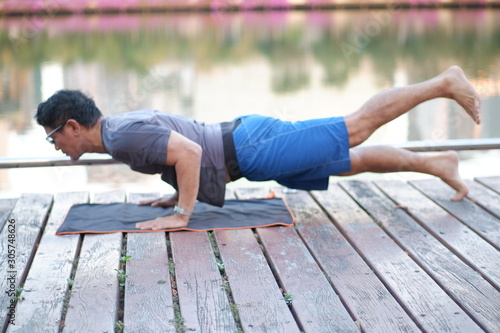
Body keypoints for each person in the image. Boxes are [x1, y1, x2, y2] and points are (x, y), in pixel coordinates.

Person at [35, 65, 481, 230]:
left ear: (72, 126)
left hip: (253, 146)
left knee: (357, 128)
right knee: (350, 161)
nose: (54, 145)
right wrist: (175, 193)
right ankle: (437, 163)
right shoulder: (114, 133)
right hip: (248, 155)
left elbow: (189, 152)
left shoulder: (119, 135)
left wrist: (182, 215)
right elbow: (177, 150)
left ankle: (442, 82)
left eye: (53, 135)